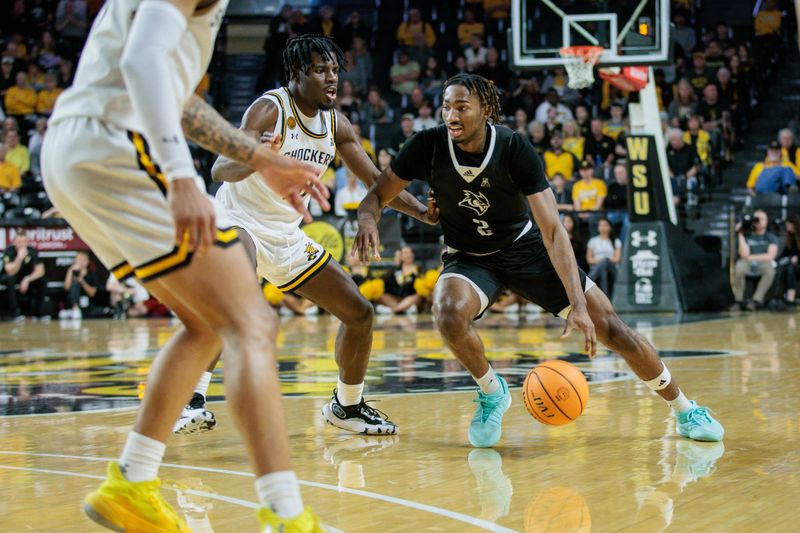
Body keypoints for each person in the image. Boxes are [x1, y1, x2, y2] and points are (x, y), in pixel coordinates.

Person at [41, 1, 334, 531]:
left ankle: (131, 481)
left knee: (207, 325)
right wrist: (180, 176)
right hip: (117, 145)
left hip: (77, 150)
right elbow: (142, 62)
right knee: (251, 323)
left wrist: (264, 158)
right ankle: (289, 517)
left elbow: (175, 101)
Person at [354, 73, 724, 449]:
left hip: (525, 248)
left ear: (486, 111)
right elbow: (376, 196)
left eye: (461, 106)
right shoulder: (426, 145)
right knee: (447, 312)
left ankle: (685, 408)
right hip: (469, 257)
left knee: (612, 329)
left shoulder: (514, 148)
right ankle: (492, 391)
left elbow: (552, 231)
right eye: (447, 106)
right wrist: (375, 218)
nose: (451, 114)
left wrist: (577, 305)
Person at [188, 35, 435, 438]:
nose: (331, 78)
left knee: (359, 313)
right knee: (236, 288)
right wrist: (257, 157)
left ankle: (347, 405)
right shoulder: (270, 109)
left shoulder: (336, 124)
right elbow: (219, 169)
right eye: (320, 70)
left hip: (286, 233)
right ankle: (190, 399)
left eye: (335, 70)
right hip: (239, 219)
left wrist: (422, 211)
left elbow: (377, 181)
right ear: (297, 73)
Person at [732, 209, 780, 310]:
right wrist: (741, 233)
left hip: (763, 263)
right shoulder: (748, 235)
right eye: (757, 219)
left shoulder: (771, 237)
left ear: (766, 221)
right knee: (739, 267)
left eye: (762, 219)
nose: (759, 221)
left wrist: (750, 257)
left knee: (770, 270)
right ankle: (739, 300)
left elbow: (770, 256)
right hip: (747, 263)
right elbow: (743, 254)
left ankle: (756, 300)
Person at [1, 231, 46, 320]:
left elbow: (41, 271)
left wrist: (27, 279)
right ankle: (15, 313)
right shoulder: (9, 251)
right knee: (10, 279)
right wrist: (19, 258)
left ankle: (39, 313)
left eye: (24, 242)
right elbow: (10, 272)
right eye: (19, 242)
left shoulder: (32, 251)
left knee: (42, 280)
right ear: (14, 242)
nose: (22, 244)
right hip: (8, 277)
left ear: (27, 242)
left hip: (26, 277)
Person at [586, 218, 622, 297]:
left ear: (610, 227)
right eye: (601, 225)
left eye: (605, 225)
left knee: (605, 261)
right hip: (597, 267)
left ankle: (588, 280)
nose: (603, 227)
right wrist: (602, 262)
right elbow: (589, 260)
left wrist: (604, 260)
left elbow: (617, 259)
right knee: (603, 268)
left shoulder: (616, 241)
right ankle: (605, 296)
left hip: (612, 268)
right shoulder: (592, 241)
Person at [62, 250, 99, 319]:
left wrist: (82, 281)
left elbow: (92, 293)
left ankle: (75, 312)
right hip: (72, 302)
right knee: (76, 284)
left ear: (87, 261)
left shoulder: (92, 274)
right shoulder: (71, 271)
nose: (80, 262)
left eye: (83, 260)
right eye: (78, 259)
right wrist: (70, 271)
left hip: (87, 304)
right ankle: (74, 309)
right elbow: (66, 288)